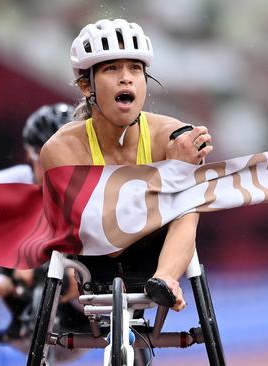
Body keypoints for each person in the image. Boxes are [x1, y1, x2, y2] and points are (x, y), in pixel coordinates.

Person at [41, 18, 213, 311]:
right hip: (92, 261)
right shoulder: (61, 149)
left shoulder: (172, 136)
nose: (126, 78)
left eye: (135, 68)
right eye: (112, 69)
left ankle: (166, 281)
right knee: (178, 186)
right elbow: (107, 235)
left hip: (155, 256)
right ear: (86, 86)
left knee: (189, 202)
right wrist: (168, 171)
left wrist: (182, 171)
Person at [0, 103, 83, 363]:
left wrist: (77, 282)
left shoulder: (97, 188)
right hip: (23, 299)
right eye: (46, 164)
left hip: (84, 307)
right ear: (30, 156)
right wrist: (10, 284)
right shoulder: (1, 186)